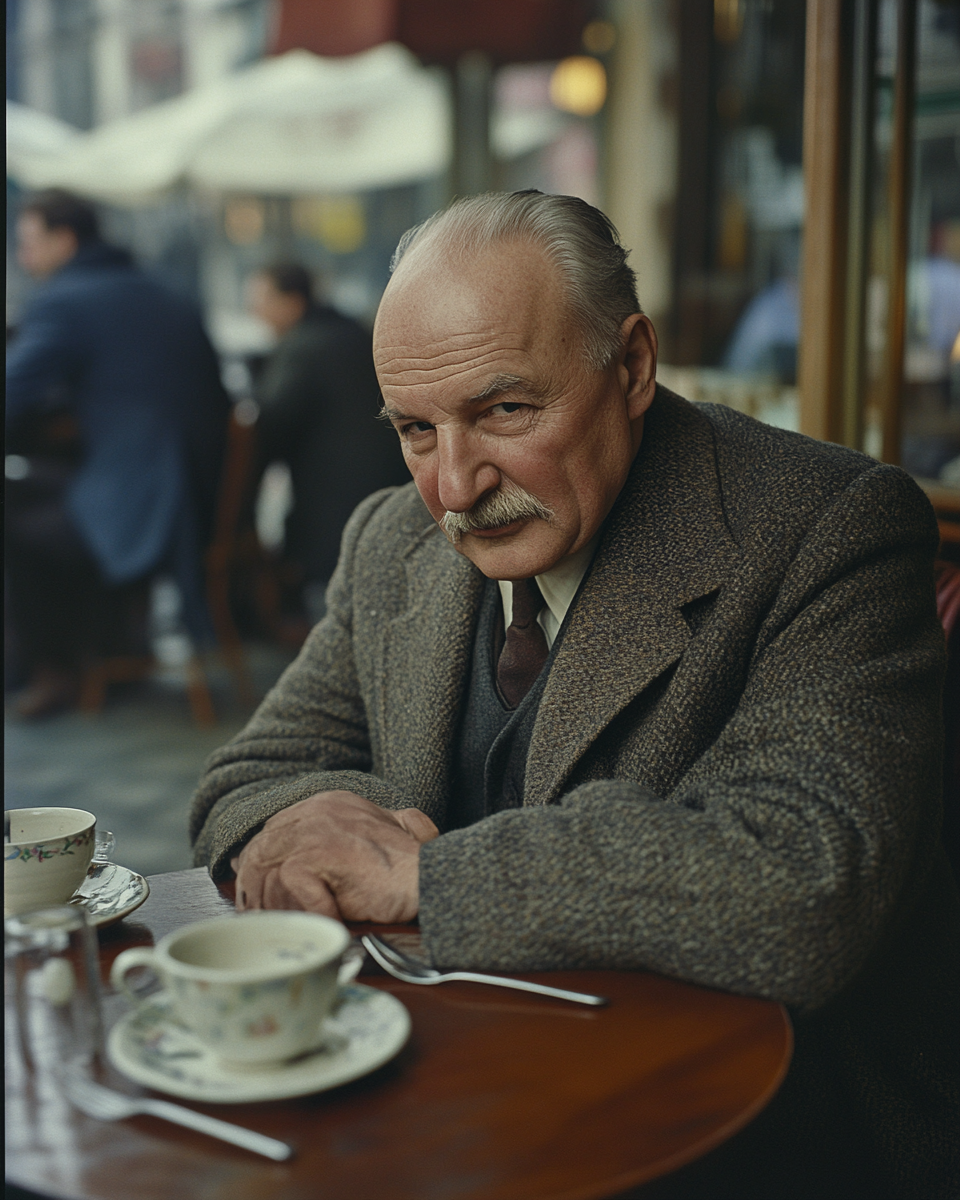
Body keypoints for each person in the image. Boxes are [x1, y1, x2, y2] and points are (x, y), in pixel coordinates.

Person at [190, 192, 958, 1198]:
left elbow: (807, 884)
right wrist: (313, 819)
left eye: (504, 411)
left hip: (749, 1134)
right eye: (416, 429)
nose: (455, 487)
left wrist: (430, 879)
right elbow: (244, 780)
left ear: (632, 365)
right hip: (447, 1102)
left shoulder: (829, 526)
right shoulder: (391, 537)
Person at [5, 189, 229, 717]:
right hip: (202, 501)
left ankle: (53, 670)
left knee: (16, 516)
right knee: (47, 489)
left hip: (145, 507)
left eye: (29, 244)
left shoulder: (67, 298)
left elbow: (11, 393)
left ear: (65, 240)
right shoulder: (165, 290)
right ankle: (113, 647)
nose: (23, 258)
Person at [246, 262, 407, 625]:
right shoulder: (352, 332)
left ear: (292, 301)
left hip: (334, 508)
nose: (254, 312)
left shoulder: (303, 348)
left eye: (262, 301)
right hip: (391, 490)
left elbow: (268, 429)